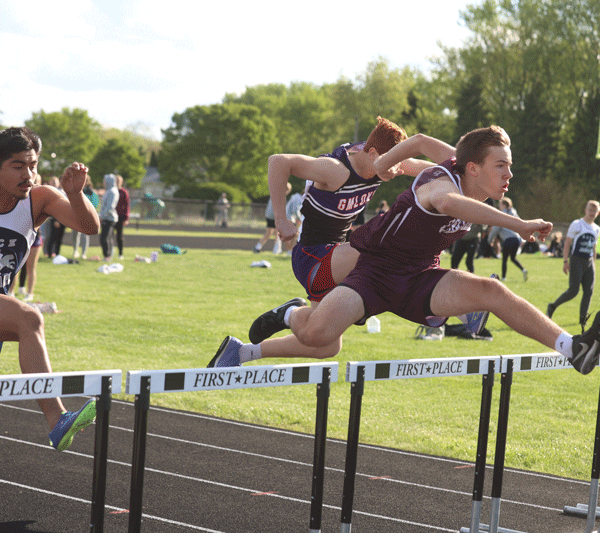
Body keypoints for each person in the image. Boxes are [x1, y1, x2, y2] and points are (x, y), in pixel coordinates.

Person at [212, 126, 600, 376]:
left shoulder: (464, 171)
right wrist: (518, 224)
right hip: (373, 271)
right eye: (501, 166)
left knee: (492, 291)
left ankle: (573, 348)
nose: (509, 175)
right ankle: (291, 312)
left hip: (420, 277)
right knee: (320, 336)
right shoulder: (439, 181)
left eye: (509, 167)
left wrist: (388, 162)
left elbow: (419, 143)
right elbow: (448, 204)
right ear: (474, 168)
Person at [209, 118, 486, 368]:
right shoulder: (335, 170)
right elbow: (278, 161)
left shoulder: (383, 163)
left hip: (338, 260)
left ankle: (243, 351)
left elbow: (443, 170)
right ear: (373, 153)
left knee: (326, 344)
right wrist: (281, 219)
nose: (395, 171)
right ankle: (463, 310)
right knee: (382, 247)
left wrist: (474, 177)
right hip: (312, 259)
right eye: (392, 164)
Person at [0, 126, 100, 449]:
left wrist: (75, 194)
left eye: (33, 165)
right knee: (30, 319)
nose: (29, 174)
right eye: (18, 166)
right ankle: (57, 419)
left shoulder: (37, 199)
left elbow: (90, 227)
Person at [547, 200, 600, 332]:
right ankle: (552, 306)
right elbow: (567, 243)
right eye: (590, 210)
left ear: (598, 212)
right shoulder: (577, 224)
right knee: (573, 291)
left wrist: (593, 263)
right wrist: (565, 261)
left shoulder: (597, 228)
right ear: (585, 210)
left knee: (589, 292)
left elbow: (593, 247)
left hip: (589, 262)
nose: (592, 213)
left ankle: (583, 320)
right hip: (576, 260)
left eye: (595, 211)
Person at [487, 198, 528, 281]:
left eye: (500, 204)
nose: (499, 206)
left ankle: (503, 278)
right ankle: (523, 270)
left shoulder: (502, 215)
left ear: (504, 205)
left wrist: (490, 240)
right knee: (513, 258)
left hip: (508, 240)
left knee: (504, 260)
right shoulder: (514, 212)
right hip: (516, 239)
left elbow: (496, 228)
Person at [253, 183, 292, 254]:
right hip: (274, 216)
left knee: (269, 233)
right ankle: (276, 249)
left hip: (269, 215)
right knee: (277, 233)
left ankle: (258, 247)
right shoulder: (281, 195)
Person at [73, 175, 99, 259]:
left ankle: (83, 253)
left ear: (88, 182)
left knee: (85, 236)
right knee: (75, 235)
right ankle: (75, 251)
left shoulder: (91, 192)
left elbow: (94, 204)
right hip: (76, 215)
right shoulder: (76, 190)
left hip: (87, 217)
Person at [98, 173, 119, 261]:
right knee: (108, 237)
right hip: (107, 217)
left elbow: (110, 206)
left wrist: (101, 216)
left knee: (105, 237)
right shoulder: (109, 190)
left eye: (104, 181)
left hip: (109, 218)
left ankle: (107, 256)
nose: (104, 182)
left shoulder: (112, 191)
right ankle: (108, 255)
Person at [44, 176, 66, 258]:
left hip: (63, 219)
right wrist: (56, 220)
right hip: (55, 219)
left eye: (55, 182)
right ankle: (49, 254)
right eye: (52, 182)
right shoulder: (50, 192)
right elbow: (53, 208)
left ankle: (57, 254)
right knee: (52, 237)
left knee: (59, 238)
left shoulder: (63, 192)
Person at [114, 174, 130, 260]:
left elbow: (127, 206)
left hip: (120, 217)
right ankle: (110, 252)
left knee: (119, 236)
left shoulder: (123, 192)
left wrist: (126, 218)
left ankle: (120, 254)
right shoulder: (111, 191)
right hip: (111, 217)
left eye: (118, 181)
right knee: (109, 235)